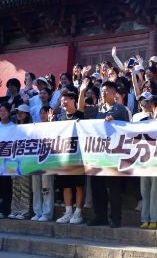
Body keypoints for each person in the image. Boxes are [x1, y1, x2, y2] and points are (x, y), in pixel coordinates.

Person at [79, 80, 129, 228]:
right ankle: (100, 216)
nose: (104, 92)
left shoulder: (120, 109)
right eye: (102, 90)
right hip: (98, 155)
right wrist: (82, 91)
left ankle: (115, 218)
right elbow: (81, 109)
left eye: (107, 90)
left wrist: (115, 122)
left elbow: (127, 129)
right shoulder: (97, 109)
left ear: (114, 93)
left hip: (114, 156)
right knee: (97, 187)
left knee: (114, 189)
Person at [132, 92, 157, 230]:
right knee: (144, 190)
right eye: (142, 101)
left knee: (155, 188)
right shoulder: (136, 117)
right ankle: (145, 218)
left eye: (147, 101)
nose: (145, 104)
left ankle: (154, 218)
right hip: (142, 156)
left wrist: (155, 119)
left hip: (156, 157)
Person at [54, 90, 85, 225]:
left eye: (66, 99)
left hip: (79, 158)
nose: (63, 102)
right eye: (62, 100)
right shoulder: (60, 119)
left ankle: (78, 213)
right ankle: (68, 212)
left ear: (73, 100)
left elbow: (82, 105)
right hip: (65, 158)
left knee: (79, 186)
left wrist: (82, 90)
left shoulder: (80, 114)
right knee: (66, 186)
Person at [31, 105, 55, 222]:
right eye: (41, 113)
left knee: (46, 188)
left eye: (45, 112)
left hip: (48, 161)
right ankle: (37, 211)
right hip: (35, 161)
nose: (42, 115)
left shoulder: (55, 126)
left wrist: (51, 122)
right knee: (36, 188)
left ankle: (47, 213)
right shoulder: (35, 127)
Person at [8, 104, 32, 220]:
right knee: (16, 186)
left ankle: (24, 211)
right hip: (14, 161)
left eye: (21, 112)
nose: (19, 114)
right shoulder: (14, 127)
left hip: (26, 161)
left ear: (27, 114)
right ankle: (15, 210)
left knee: (25, 187)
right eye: (17, 112)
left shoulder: (33, 127)